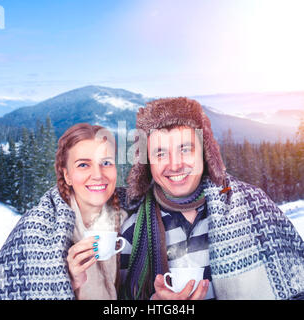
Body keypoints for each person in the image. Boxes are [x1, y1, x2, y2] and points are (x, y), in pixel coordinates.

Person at [119, 97, 304, 300]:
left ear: (204, 153)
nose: (175, 165)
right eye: (160, 153)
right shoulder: (131, 234)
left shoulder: (256, 210)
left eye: (185, 149)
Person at [0, 123, 127, 300]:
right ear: (67, 176)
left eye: (106, 162)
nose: (98, 174)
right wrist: (66, 283)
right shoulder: (35, 229)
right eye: (83, 165)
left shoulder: (132, 218)